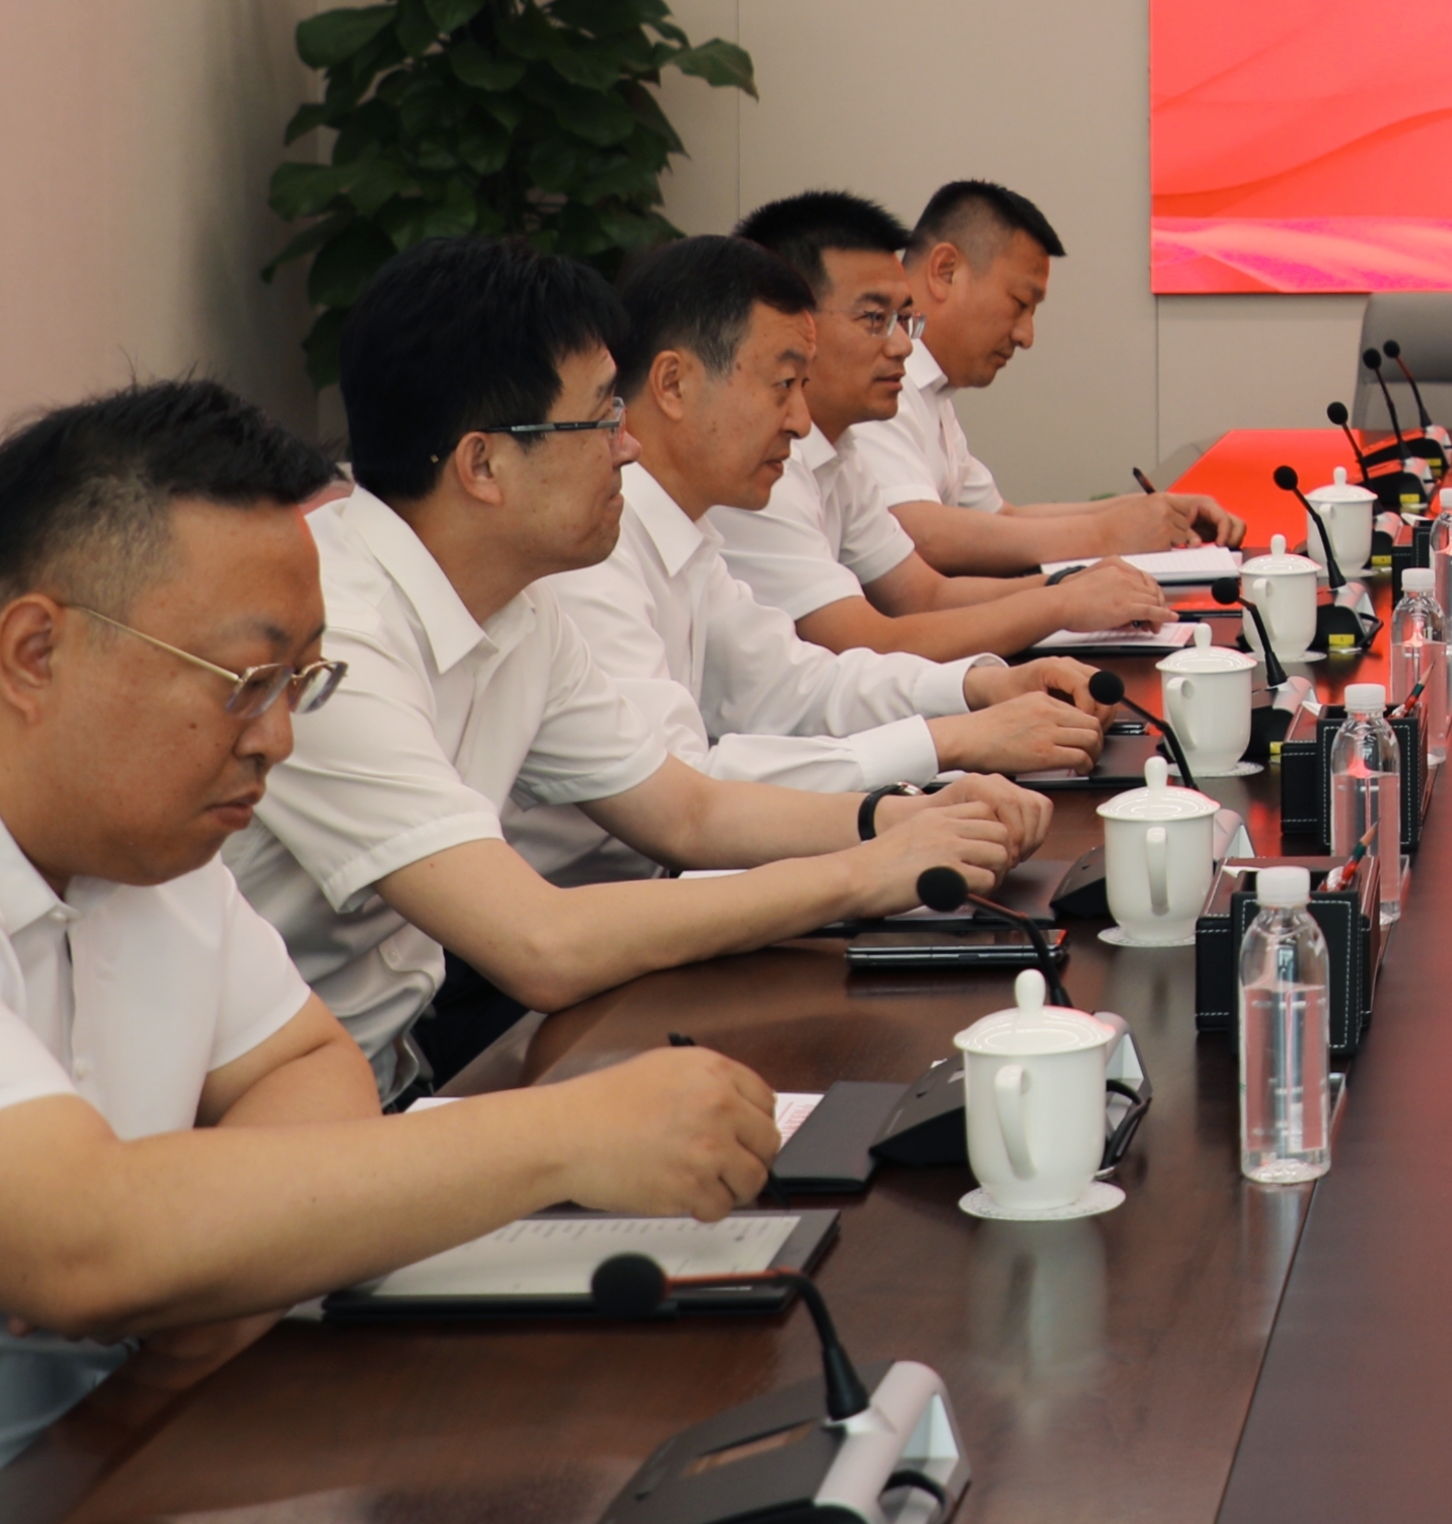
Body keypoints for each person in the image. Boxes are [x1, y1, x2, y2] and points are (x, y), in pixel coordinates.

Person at [0, 382, 786, 1524]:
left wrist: (212, 1267)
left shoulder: (134, 810)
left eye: (302, 680)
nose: (279, 734)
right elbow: (77, 1240)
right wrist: (566, 1135)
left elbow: (304, 1057)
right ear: (35, 650)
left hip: (132, 1448)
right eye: (247, 678)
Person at [226, 236, 1046, 1100]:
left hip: (400, 1063)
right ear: (483, 464)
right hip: (301, 1110)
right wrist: (865, 870)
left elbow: (686, 811)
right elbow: (538, 943)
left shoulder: (520, 602)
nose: (627, 448)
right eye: (600, 421)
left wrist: (902, 818)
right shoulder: (333, 641)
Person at [518, 237, 1130, 885]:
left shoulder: (682, 530)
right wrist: (943, 746)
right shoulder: (587, 554)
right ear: (673, 384)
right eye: (784, 386)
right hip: (601, 907)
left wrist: (975, 689)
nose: (800, 422)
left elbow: (794, 684)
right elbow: (685, 795)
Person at [717, 192, 1188, 657]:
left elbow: (924, 595)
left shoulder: (841, 451)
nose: (903, 346)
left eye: (903, 320)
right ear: (793, 327)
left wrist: (1073, 586)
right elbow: (868, 640)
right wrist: (1063, 599)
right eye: (876, 319)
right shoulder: (755, 462)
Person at [850, 179, 1227, 573]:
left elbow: (1001, 518)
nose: (1026, 336)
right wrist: (1106, 535)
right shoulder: (881, 381)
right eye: (1019, 303)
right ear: (946, 271)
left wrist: (1154, 512)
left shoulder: (932, 393)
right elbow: (918, 534)